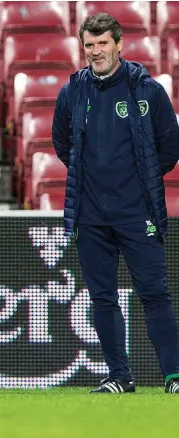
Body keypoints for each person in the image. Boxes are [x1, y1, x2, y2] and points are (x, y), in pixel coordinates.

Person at [52, 13, 179, 394]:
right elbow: (62, 144)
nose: (95, 52)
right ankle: (119, 377)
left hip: (137, 213)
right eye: (89, 45)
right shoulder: (72, 91)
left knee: (154, 293)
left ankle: (174, 376)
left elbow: (170, 147)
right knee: (102, 298)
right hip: (90, 216)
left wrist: (137, 182)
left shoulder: (148, 90)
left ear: (119, 43)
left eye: (102, 43)